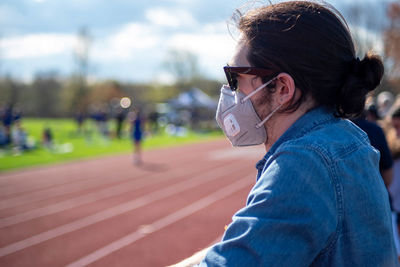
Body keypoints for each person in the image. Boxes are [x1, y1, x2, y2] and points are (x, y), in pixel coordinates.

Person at [176, 1, 398, 266]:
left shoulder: (305, 163)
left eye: (235, 77)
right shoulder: (345, 139)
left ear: (282, 88)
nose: (229, 90)